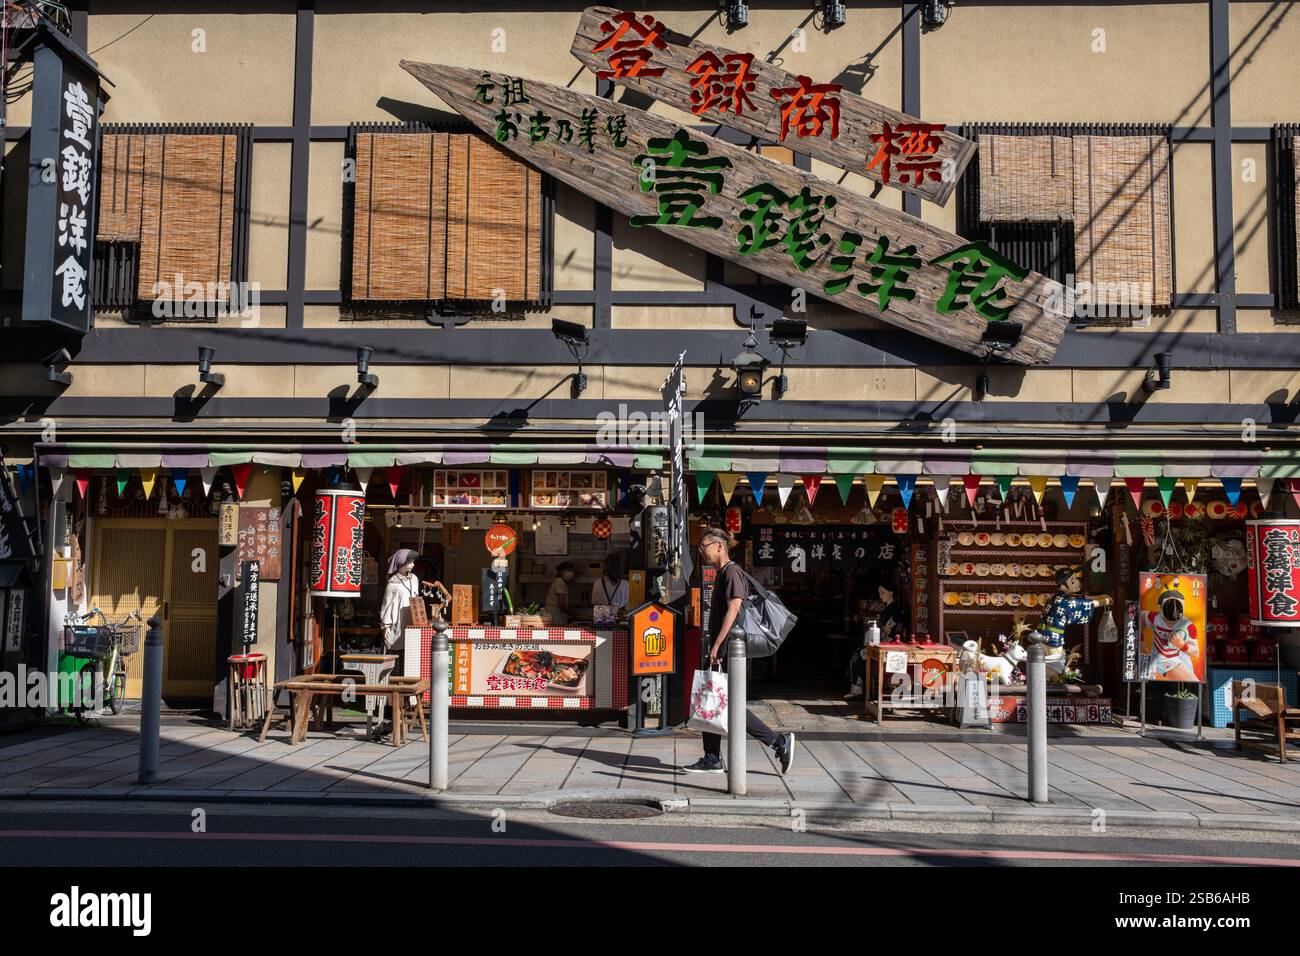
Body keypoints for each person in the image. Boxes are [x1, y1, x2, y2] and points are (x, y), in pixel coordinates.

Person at [682, 527, 796, 776]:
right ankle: (712, 757)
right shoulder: (722, 573)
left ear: (719, 546)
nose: (702, 552)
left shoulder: (732, 572)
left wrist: (717, 645)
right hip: (722, 647)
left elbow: (733, 611)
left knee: (728, 704)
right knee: (714, 699)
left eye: (704, 546)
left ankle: (778, 741)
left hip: (728, 648)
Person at [846, 583, 906, 699]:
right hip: (882, 642)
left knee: (858, 655)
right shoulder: (888, 609)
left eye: (883, 593)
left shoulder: (895, 611)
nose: (881, 595)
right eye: (880, 593)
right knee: (858, 653)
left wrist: (884, 632)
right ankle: (857, 686)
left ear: (891, 592)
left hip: (889, 646)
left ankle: (858, 688)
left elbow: (893, 631)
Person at [380, 548, 421, 653]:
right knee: (398, 650)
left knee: (412, 653)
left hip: (413, 621)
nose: (413, 565)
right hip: (399, 620)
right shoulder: (393, 584)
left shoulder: (414, 579)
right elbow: (387, 605)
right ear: (402, 563)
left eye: (413, 562)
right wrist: (386, 626)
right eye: (410, 562)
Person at [545, 560, 576, 625]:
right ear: (561, 571)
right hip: (556, 617)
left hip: (556, 616)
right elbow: (561, 605)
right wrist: (573, 614)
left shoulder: (559, 582)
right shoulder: (560, 583)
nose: (570, 573)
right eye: (568, 570)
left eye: (572, 570)